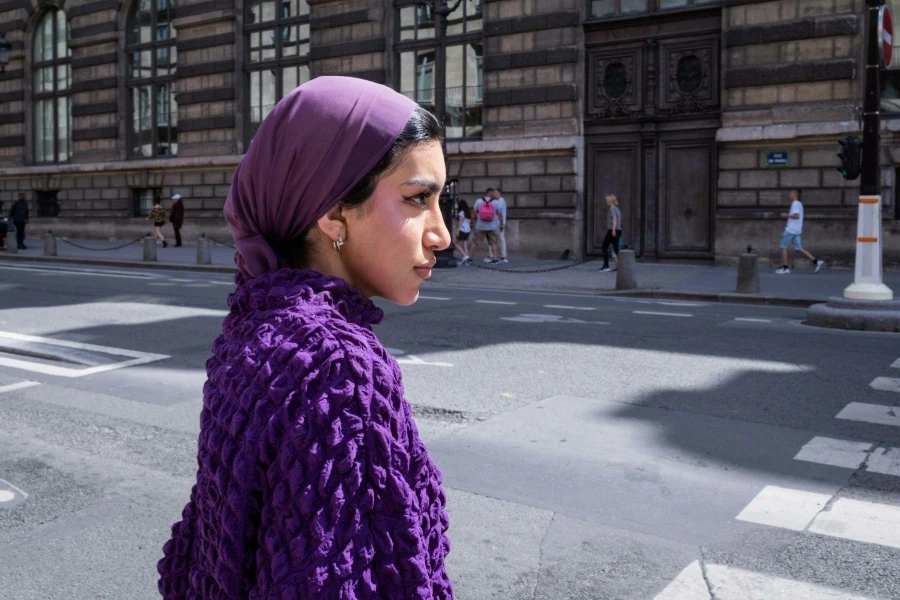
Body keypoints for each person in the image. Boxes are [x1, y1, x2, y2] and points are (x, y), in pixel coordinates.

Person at [157, 77, 454, 599]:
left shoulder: (253, 326)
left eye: (439, 200)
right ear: (335, 214)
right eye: (417, 200)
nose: (442, 234)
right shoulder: (338, 366)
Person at [776, 189, 824, 275]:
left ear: (795, 194)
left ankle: (785, 268)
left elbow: (796, 216)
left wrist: (785, 215)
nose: (789, 195)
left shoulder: (795, 203)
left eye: (790, 193)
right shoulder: (800, 204)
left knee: (783, 247)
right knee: (799, 248)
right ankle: (816, 261)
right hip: (796, 230)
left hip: (791, 229)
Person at [469, 187, 501, 264]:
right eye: (493, 192)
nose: (494, 194)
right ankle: (495, 258)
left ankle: (470, 258)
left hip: (480, 226)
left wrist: (471, 221)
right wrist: (501, 223)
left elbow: (474, 212)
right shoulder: (496, 202)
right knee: (493, 243)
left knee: (475, 242)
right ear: (489, 193)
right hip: (492, 226)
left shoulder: (479, 201)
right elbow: (500, 214)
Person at [599, 194, 622, 272]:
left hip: (613, 230)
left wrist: (613, 230)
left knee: (604, 246)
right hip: (618, 230)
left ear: (610, 201)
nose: (606, 202)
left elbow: (614, 219)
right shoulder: (617, 209)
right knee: (616, 249)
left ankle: (606, 266)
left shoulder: (612, 208)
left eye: (607, 200)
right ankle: (620, 267)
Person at [492, 187, 508, 263]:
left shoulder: (501, 201)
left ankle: (503, 256)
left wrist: (502, 224)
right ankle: (501, 255)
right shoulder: (499, 201)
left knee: (501, 239)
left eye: (496, 193)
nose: (494, 194)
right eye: (494, 193)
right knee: (500, 239)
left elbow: (501, 214)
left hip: (499, 223)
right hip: (498, 222)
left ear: (499, 193)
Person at [456, 198, 472, 264]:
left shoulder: (461, 213)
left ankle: (464, 255)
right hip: (468, 230)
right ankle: (467, 258)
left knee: (456, 243)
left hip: (462, 229)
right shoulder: (467, 212)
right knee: (465, 243)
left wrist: (457, 231)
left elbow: (460, 222)